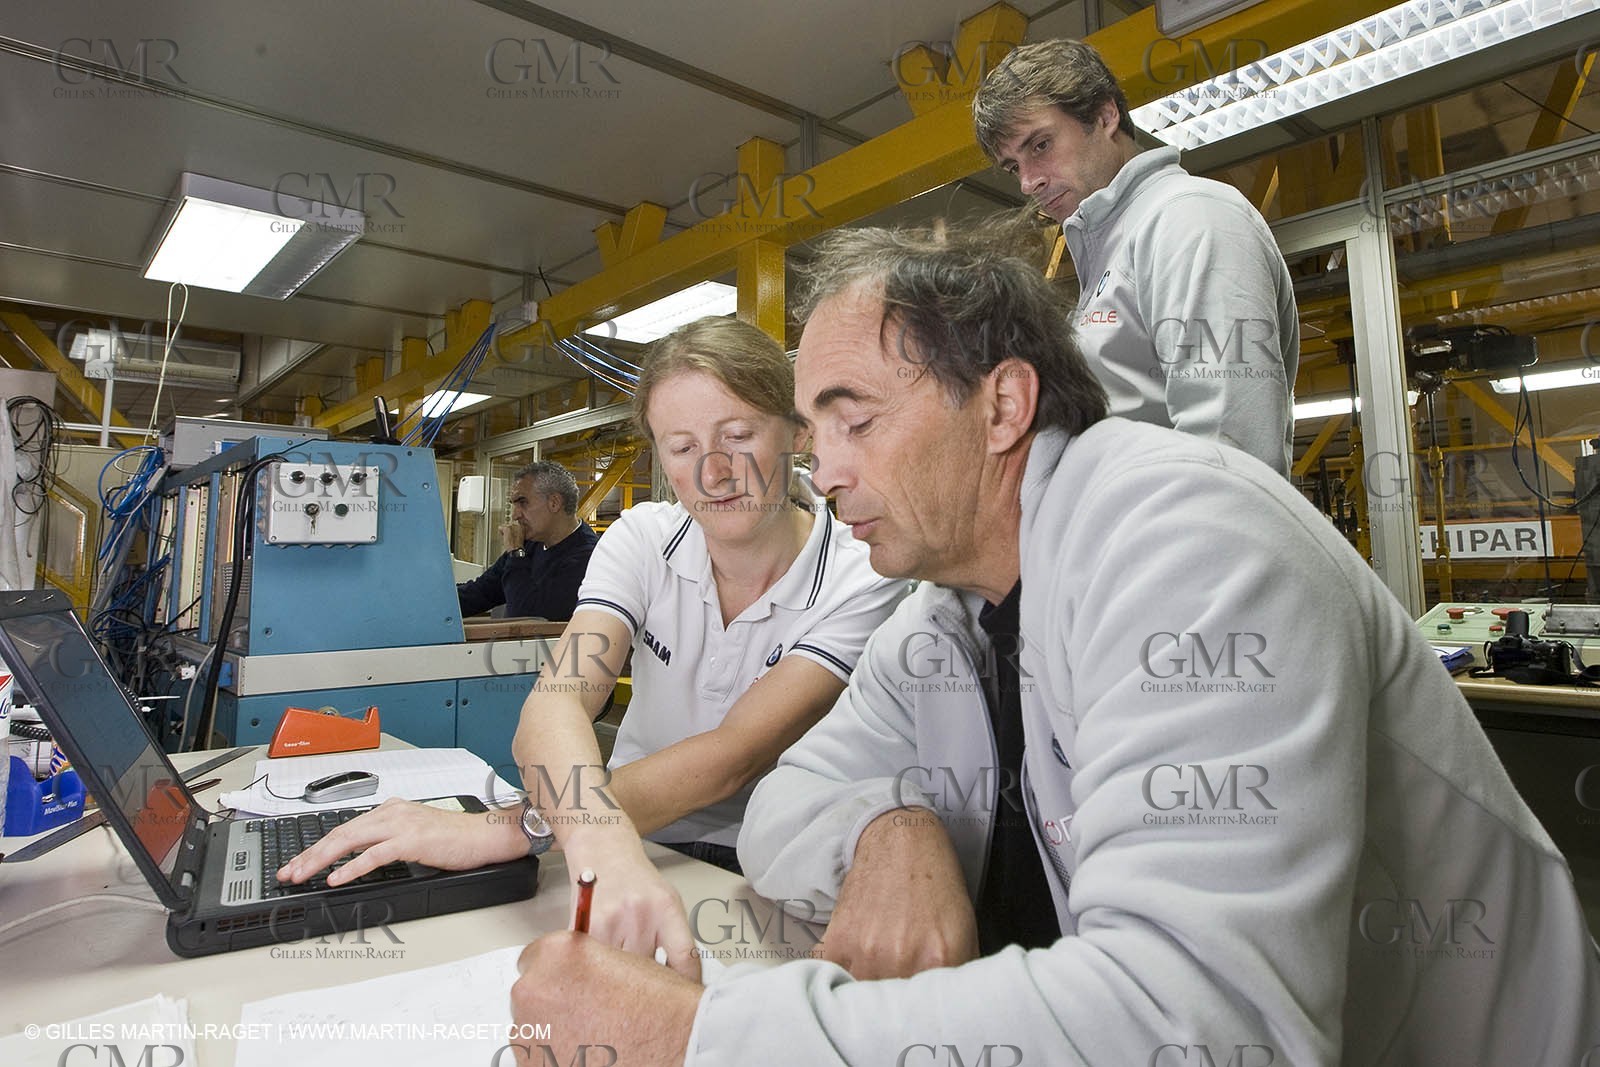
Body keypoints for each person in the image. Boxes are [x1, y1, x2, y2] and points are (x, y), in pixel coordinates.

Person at [508, 228, 1600, 1066]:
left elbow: (1206, 1022)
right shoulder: (945, 609)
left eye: (855, 421)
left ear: (1002, 406)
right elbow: (788, 805)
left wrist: (701, 1038)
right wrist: (891, 823)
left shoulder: (1190, 542)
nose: (824, 471)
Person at [278, 316, 906, 978]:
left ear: (800, 430)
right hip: (627, 841)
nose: (715, 472)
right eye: (682, 446)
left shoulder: (858, 577)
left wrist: (513, 827)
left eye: (740, 434)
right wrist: (598, 837)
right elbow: (556, 704)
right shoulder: (642, 538)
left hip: (770, 882)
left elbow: (733, 756)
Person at [972, 38, 1299, 476]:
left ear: (1106, 116)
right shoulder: (1106, 247)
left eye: (1040, 145)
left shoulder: (1190, 219)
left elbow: (1230, 447)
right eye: (1014, 166)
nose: (1028, 182)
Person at [456, 460, 597, 619]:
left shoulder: (588, 557)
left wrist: (516, 553)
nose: (515, 515)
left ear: (554, 503)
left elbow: (528, 619)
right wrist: (432, 601)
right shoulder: (530, 544)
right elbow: (481, 592)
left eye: (523, 503)